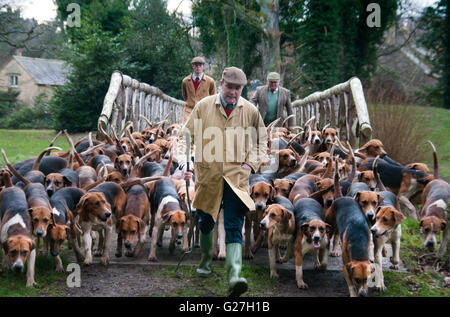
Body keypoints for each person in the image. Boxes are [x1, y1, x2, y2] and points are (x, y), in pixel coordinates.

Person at [176, 67, 268, 297]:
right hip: (208, 177)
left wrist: (251, 163)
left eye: (238, 89)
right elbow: (184, 139)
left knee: (234, 225)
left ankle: (234, 276)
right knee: (206, 221)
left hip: (237, 179)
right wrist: (185, 162)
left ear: (242, 89)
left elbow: (262, 140)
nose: (233, 93)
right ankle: (206, 258)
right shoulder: (204, 107)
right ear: (221, 84)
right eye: (230, 87)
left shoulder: (250, 111)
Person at [181, 56, 216, 123]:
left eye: (200, 65)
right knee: (187, 129)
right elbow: (185, 95)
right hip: (189, 110)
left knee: (203, 130)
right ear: (193, 66)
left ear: (203, 66)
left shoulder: (210, 81)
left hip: (204, 111)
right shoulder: (185, 81)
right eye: (196, 65)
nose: (198, 67)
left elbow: (213, 97)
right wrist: (191, 101)